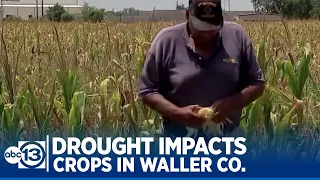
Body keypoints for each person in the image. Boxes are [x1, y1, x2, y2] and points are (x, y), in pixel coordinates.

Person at [138, 0, 265, 139]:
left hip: (229, 140)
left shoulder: (236, 36)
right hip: (178, 142)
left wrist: (230, 104)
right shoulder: (166, 41)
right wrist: (178, 113)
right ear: (188, 15)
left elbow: (257, 83)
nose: (208, 33)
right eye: (202, 27)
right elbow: (147, 91)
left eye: (213, 26)